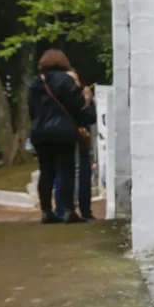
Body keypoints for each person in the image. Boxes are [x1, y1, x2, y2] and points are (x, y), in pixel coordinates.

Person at [28, 48, 96, 224]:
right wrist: (86, 98)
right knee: (66, 170)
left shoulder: (35, 82)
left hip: (40, 132)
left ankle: (46, 211)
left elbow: (31, 109)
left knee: (46, 171)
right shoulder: (65, 79)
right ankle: (67, 210)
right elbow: (77, 104)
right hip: (62, 131)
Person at [54, 69, 95, 220]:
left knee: (84, 175)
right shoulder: (58, 98)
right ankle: (63, 210)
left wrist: (87, 102)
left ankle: (85, 211)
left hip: (81, 142)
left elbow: (91, 117)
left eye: (75, 80)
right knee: (63, 175)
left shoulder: (84, 96)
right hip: (64, 141)